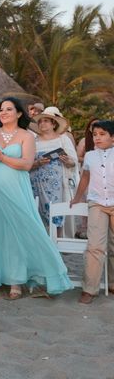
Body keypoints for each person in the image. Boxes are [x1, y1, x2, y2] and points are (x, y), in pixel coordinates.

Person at [0, 97, 72, 299]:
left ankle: (16, 281)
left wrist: (2, 158)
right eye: (1, 109)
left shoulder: (26, 136)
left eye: (9, 109)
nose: (4, 112)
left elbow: (27, 164)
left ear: (18, 113)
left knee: (15, 231)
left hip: (16, 189)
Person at [71, 120, 114, 304]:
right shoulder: (89, 156)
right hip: (96, 203)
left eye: (102, 134)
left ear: (112, 137)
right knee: (95, 246)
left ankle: (112, 283)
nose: (97, 137)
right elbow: (85, 177)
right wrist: (77, 197)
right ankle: (90, 289)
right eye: (95, 134)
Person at [29, 106, 79, 232]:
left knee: (57, 213)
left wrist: (68, 161)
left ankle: (57, 245)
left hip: (56, 185)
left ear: (53, 124)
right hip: (36, 183)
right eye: (40, 121)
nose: (42, 123)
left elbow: (74, 161)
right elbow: (27, 163)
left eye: (45, 121)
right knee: (37, 211)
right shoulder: (33, 141)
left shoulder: (63, 139)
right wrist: (37, 163)